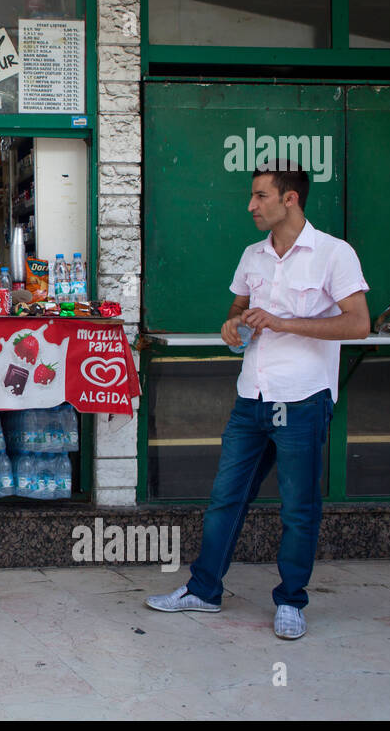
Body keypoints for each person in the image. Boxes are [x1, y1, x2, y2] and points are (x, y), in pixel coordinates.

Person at [146, 161, 369, 639]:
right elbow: (235, 317)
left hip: (303, 397)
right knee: (225, 498)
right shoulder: (253, 256)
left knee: (297, 507)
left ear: (290, 199)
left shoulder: (334, 254)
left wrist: (287, 322)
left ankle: (291, 601)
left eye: (261, 196)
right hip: (252, 396)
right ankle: (203, 591)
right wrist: (230, 330)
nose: (250, 205)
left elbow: (358, 324)